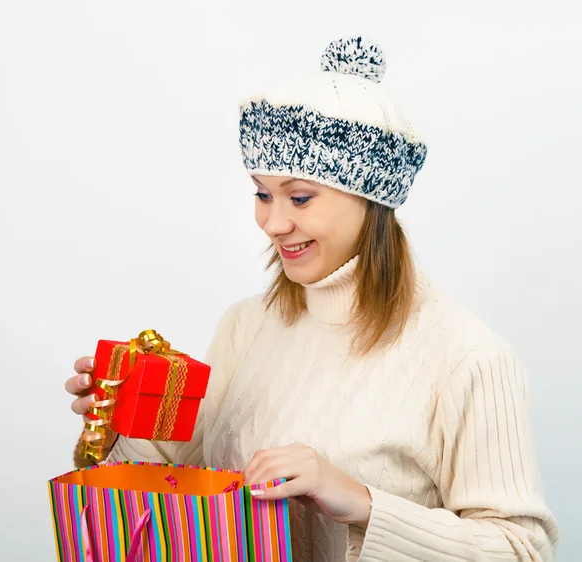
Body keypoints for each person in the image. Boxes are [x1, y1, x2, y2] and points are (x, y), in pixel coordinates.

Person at [65, 37, 559, 561]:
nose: (273, 223)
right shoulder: (245, 326)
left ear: (371, 200)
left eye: (299, 197)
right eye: (261, 193)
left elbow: (521, 550)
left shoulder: (468, 356)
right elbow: (169, 495)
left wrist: (364, 503)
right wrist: (118, 424)